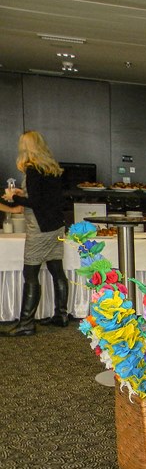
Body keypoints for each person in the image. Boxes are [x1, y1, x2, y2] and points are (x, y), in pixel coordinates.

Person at [1, 131, 69, 336]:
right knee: (56, 269)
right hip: (57, 225)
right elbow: (45, 197)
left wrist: (14, 198)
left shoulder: (33, 169)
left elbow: (35, 202)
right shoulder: (51, 168)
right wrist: (22, 194)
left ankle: (26, 323)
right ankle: (61, 315)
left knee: (30, 274)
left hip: (40, 228)